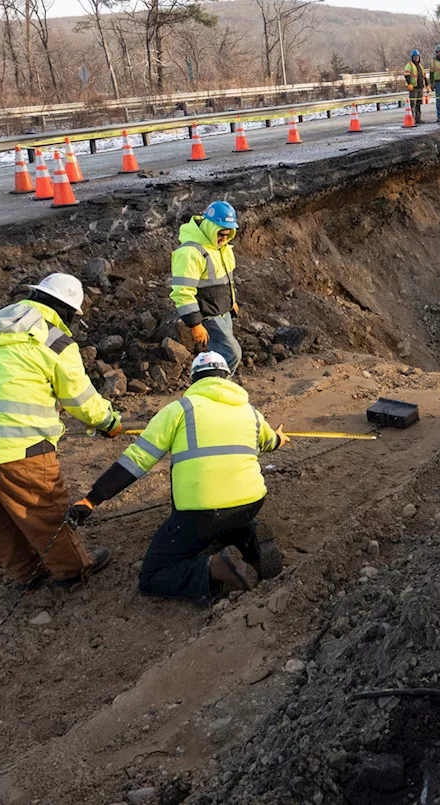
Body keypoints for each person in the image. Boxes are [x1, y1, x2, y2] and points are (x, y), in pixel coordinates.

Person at [0, 273, 122, 590]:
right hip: (19, 447)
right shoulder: (53, 340)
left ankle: (25, 573)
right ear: (67, 311)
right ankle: (71, 570)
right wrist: (108, 422)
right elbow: (81, 399)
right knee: (44, 511)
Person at [65, 351, 289, 604]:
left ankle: (214, 569)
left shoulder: (179, 409)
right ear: (227, 377)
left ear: (194, 379)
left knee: (153, 575)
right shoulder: (251, 412)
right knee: (226, 522)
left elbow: (136, 461)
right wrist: (280, 436)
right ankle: (248, 538)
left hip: (201, 512)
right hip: (251, 503)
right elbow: (271, 442)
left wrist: (92, 499)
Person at [171, 200, 242, 373]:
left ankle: (216, 389)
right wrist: (195, 324)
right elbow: (183, 292)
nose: (224, 238)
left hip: (222, 311)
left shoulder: (221, 248)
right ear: (211, 226)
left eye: (228, 234)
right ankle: (218, 390)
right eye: (221, 233)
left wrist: (231, 301)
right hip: (208, 315)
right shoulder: (190, 252)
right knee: (232, 354)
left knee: (220, 357)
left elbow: (224, 279)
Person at [404, 49, 427, 125]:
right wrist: (409, 83)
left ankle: (418, 118)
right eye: (414, 57)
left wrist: (427, 85)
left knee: (418, 103)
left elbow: (424, 76)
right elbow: (407, 75)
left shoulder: (420, 66)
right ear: (412, 57)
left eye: (417, 57)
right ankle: (411, 118)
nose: (416, 58)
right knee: (412, 104)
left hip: (420, 87)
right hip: (414, 88)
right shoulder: (409, 65)